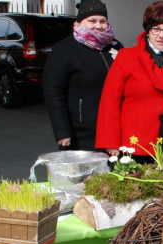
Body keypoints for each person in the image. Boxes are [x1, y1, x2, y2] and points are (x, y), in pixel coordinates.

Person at [96, 1, 163, 157]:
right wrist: (111, 143)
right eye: (156, 29)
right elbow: (109, 103)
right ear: (147, 31)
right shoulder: (126, 58)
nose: (161, 35)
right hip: (134, 145)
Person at [42, 0, 123, 151]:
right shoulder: (64, 49)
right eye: (92, 21)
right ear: (79, 22)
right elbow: (53, 91)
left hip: (111, 130)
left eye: (102, 21)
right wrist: (62, 130)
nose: (98, 25)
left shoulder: (115, 47)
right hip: (80, 134)